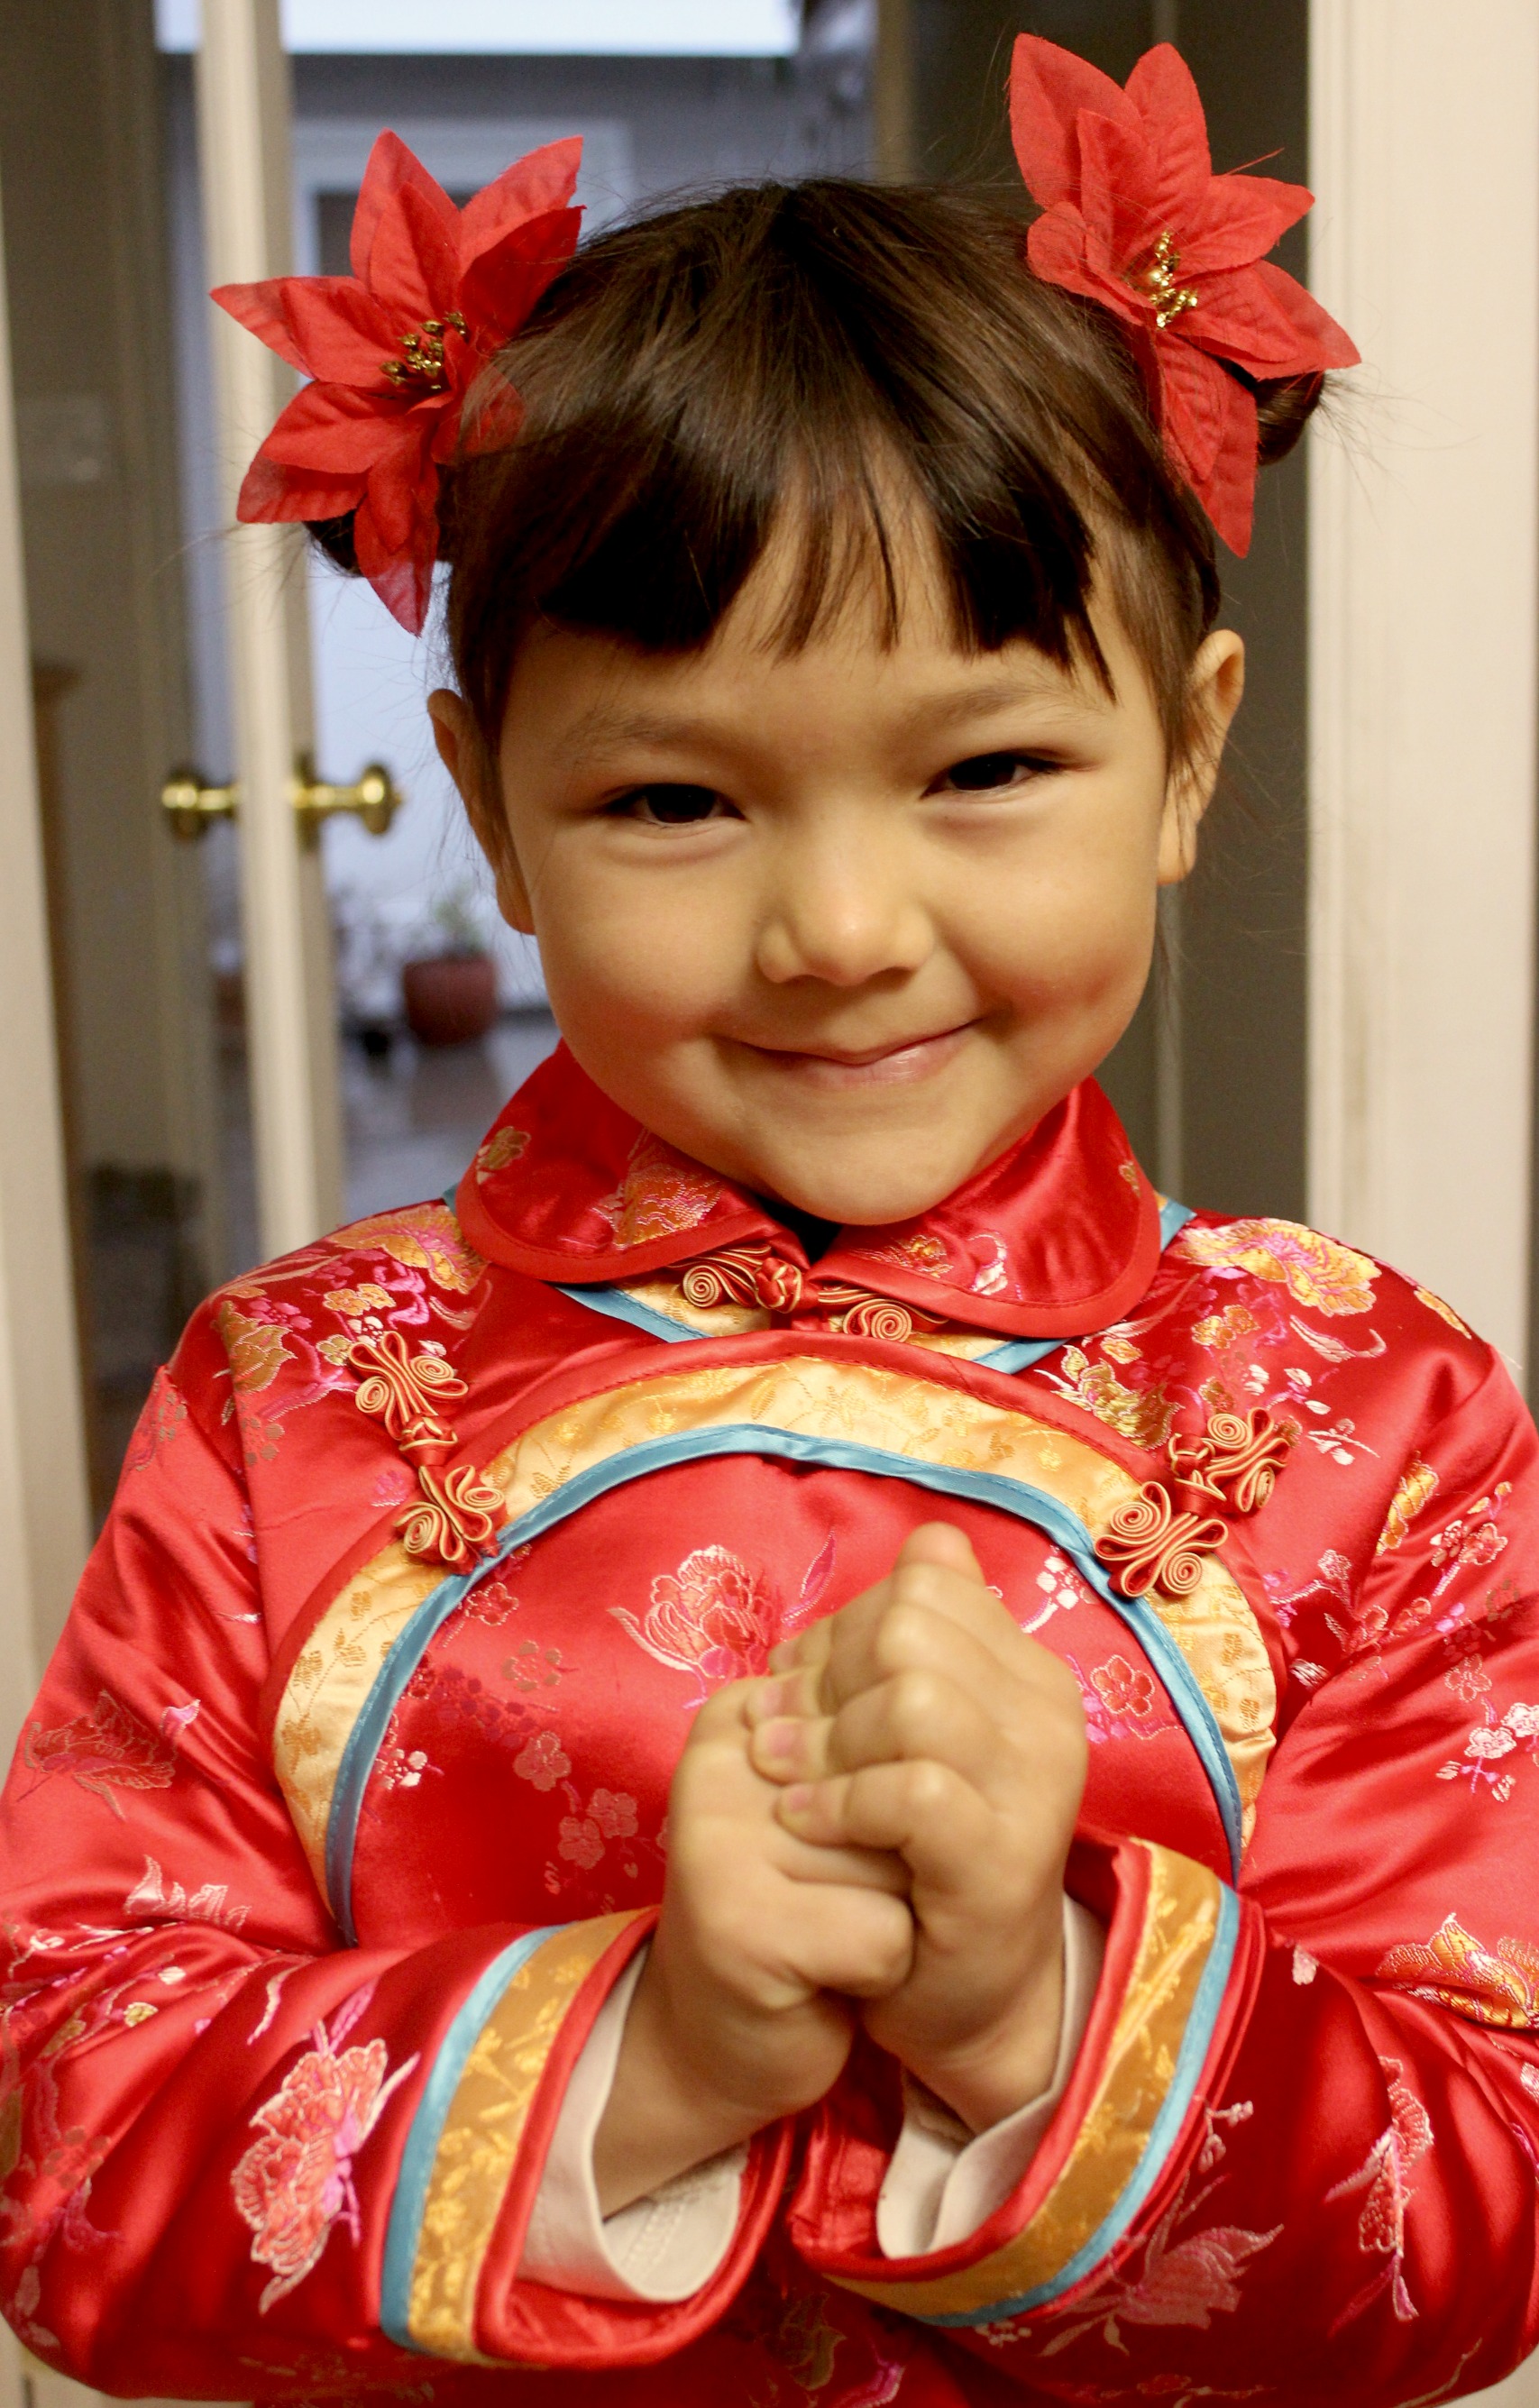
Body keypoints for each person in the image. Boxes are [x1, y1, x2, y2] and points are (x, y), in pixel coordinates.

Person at [2, 33, 1533, 2408]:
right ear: (492, 819)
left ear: (1189, 753)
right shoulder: (288, 1404)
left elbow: (1478, 2212)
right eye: (672, 800)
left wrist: (1030, 2012)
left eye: (986, 768)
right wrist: (657, 2053)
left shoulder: (1368, 1424)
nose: (836, 925)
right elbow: (69, 2146)